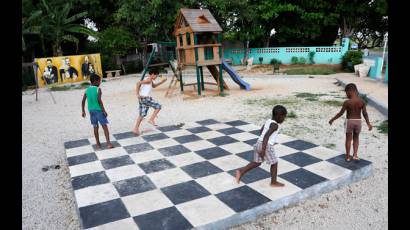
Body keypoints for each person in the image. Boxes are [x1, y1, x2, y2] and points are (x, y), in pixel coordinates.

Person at [236, 105, 287, 187]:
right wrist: (263, 150)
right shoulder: (275, 125)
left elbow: (261, 130)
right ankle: (273, 182)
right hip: (266, 146)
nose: (284, 119)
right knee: (274, 163)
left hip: (258, 143)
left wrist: (262, 144)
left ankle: (241, 171)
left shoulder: (268, 121)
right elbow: (266, 136)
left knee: (257, 162)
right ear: (279, 116)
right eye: (284, 117)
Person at [329, 83, 372, 161]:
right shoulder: (362, 101)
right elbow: (365, 113)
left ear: (350, 91)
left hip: (349, 122)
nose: (346, 95)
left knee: (348, 139)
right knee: (356, 138)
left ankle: (348, 156)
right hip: (358, 122)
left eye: (346, 93)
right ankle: (355, 155)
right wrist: (368, 124)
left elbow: (340, 113)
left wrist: (332, 119)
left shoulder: (347, 102)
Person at [81, 73, 113, 149]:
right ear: (95, 81)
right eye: (99, 81)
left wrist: (83, 111)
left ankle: (98, 144)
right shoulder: (98, 89)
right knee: (104, 126)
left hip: (91, 111)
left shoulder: (87, 90)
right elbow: (99, 101)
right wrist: (104, 111)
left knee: (95, 127)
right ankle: (108, 143)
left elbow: (83, 101)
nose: (100, 83)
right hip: (98, 111)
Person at [133, 69, 167, 135]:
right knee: (158, 106)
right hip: (145, 98)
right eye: (156, 76)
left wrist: (162, 82)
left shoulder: (149, 80)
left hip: (142, 99)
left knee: (142, 115)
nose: (156, 77)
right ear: (152, 74)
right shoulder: (148, 80)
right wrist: (137, 94)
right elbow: (138, 83)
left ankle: (135, 129)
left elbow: (154, 86)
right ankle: (151, 119)